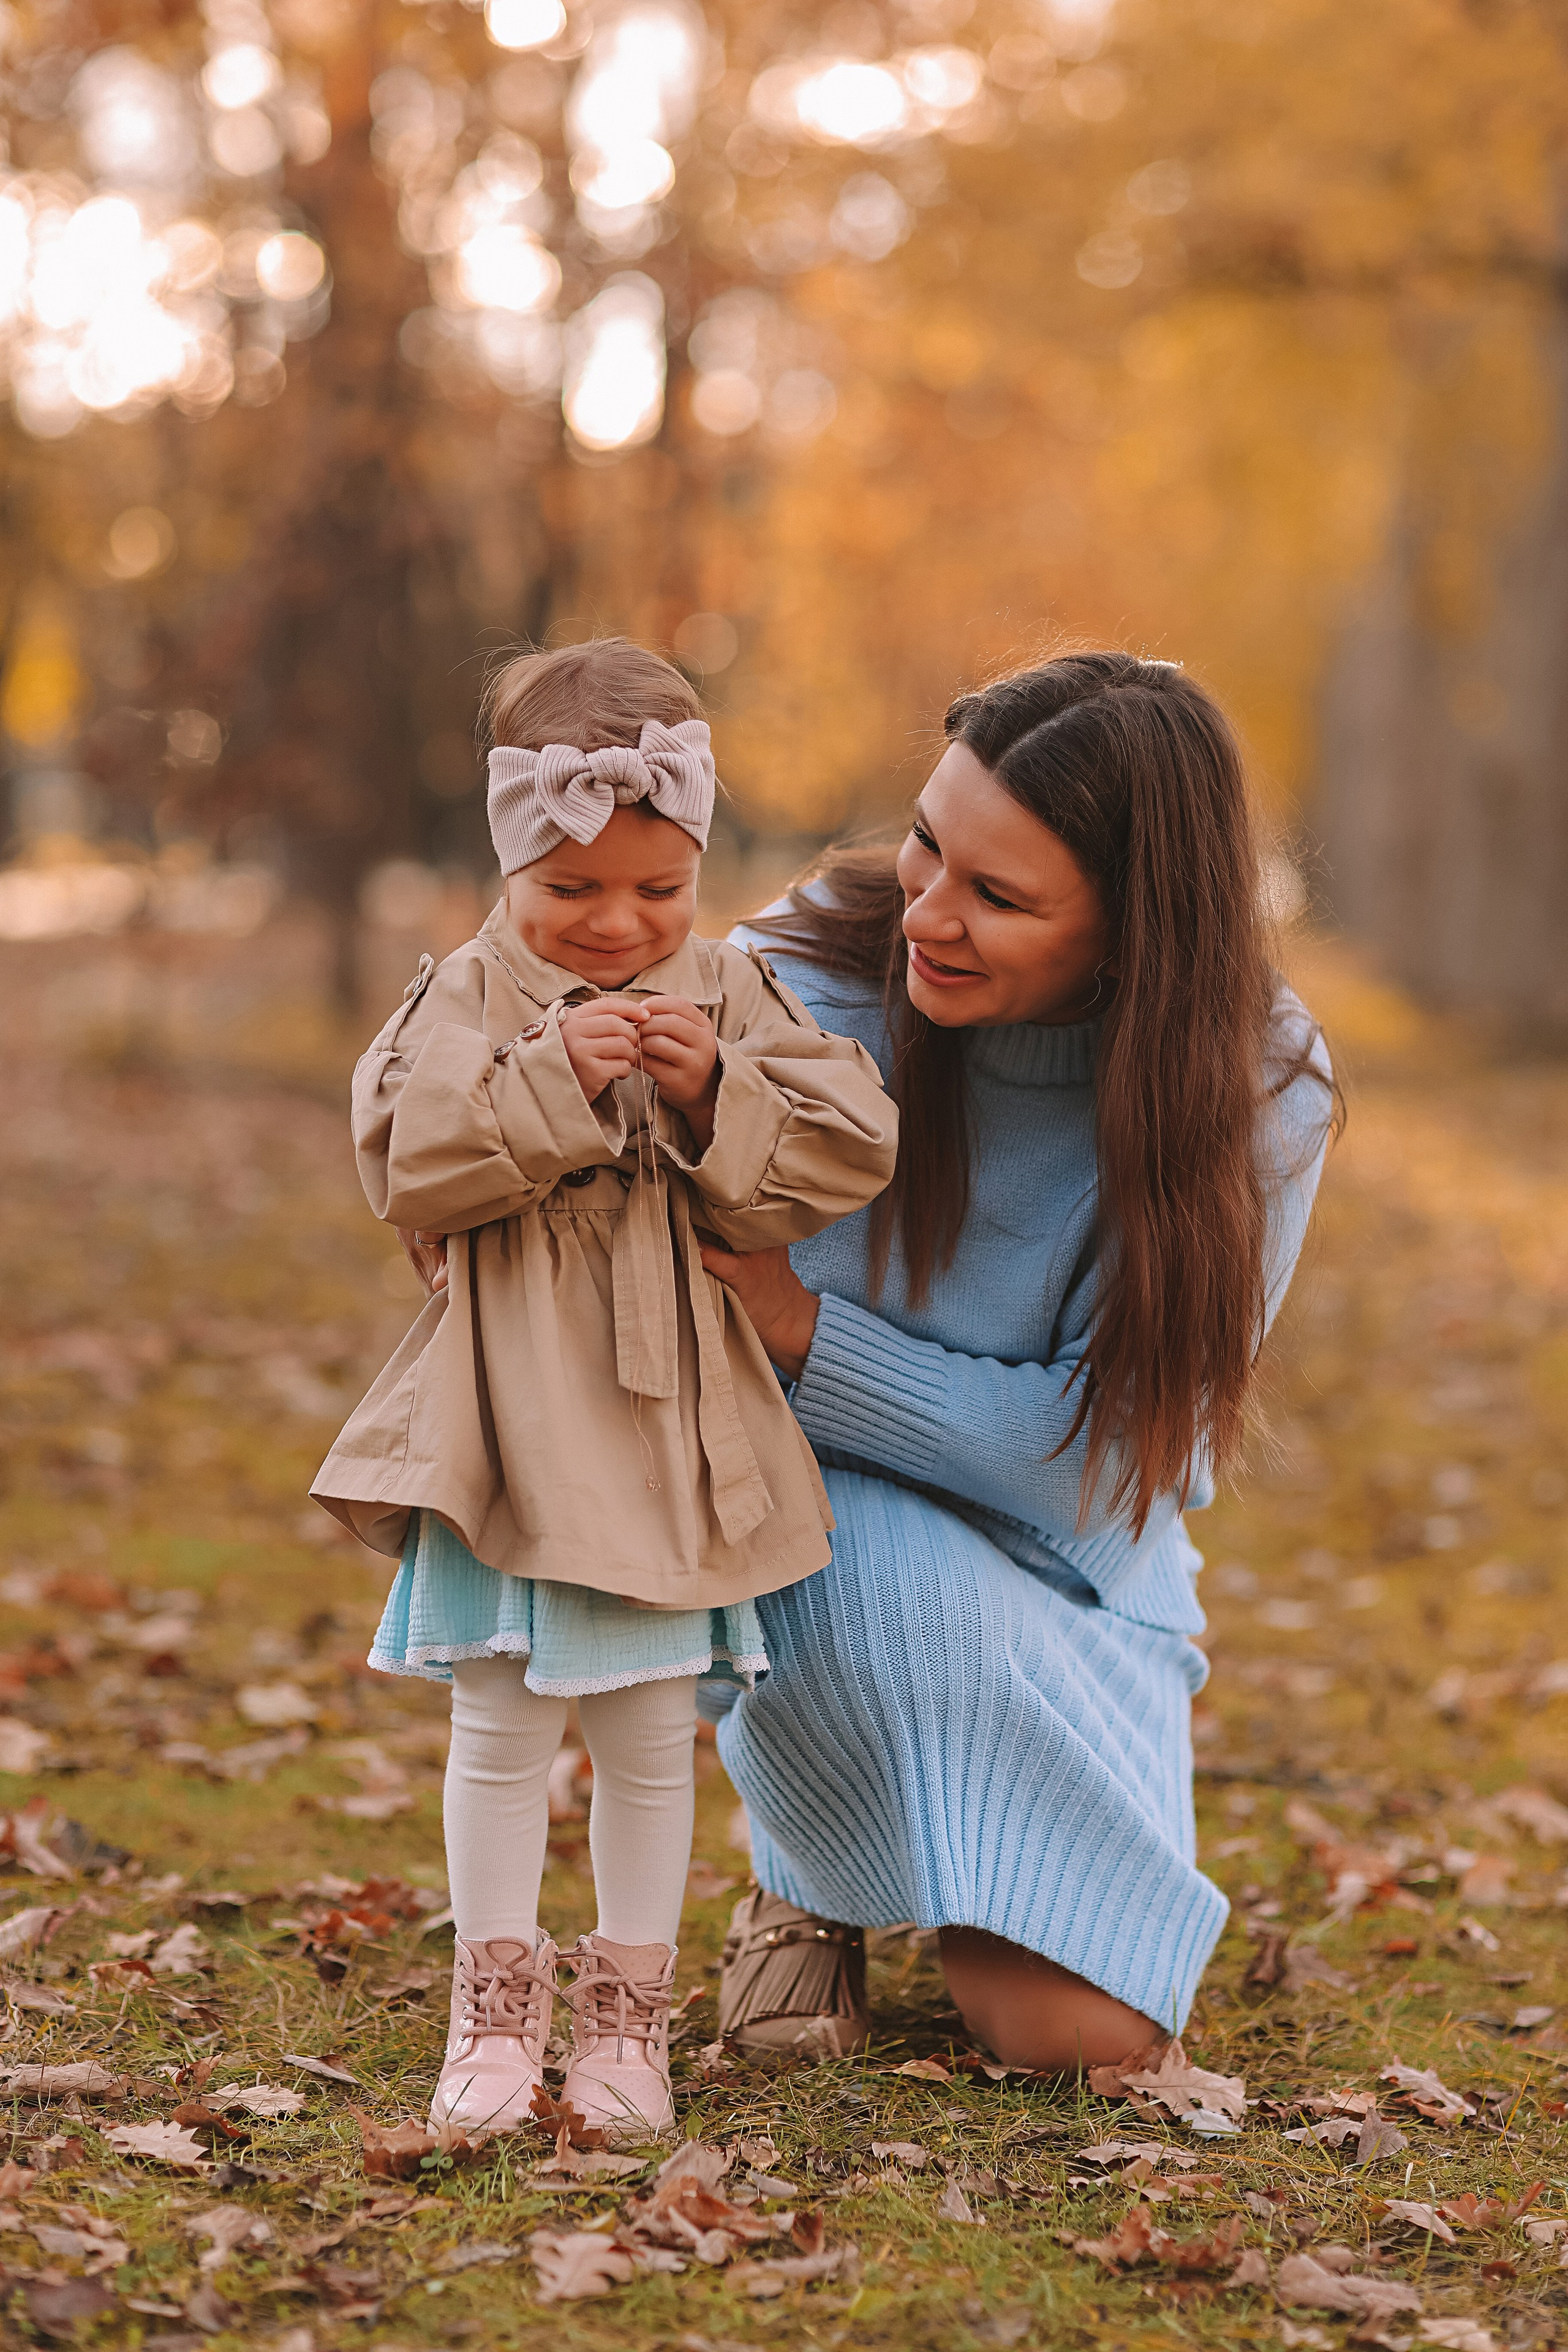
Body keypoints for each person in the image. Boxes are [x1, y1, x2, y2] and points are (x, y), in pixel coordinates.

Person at [700, 650, 1339, 2071]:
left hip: (1076, 1574)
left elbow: (1104, 1470)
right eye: (927, 845)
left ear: (1131, 933)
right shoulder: (796, 976)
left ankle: (884, 1837)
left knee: (1077, 2043)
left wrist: (802, 1334)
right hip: (820, 1533)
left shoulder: (1258, 1092)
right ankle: (806, 1882)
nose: (925, 913)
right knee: (840, 1553)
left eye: (996, 897)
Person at [311, 639, 897, 2139]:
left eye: (654, 890)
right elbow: (405, 1155)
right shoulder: (464, 991)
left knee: (646, 1731)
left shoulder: (731, 990)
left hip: (665, 1427)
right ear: (509, 865)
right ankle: (492, 2021)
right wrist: (551, 1082)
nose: (615, 927)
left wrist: (714, 1088)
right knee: (501, 1726)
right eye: (570, 892)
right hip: (513, 1413)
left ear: (696, 863)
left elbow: (846, 1146)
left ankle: (625, 2018)